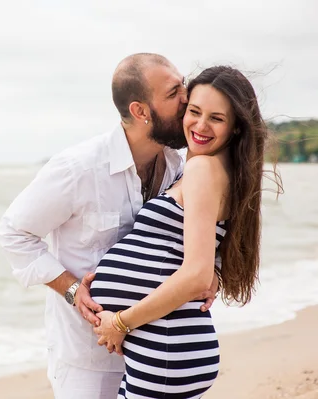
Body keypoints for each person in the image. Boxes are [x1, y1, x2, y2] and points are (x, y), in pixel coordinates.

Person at [0, 53, 220, 399]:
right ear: (140, 111)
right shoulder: (78, 168)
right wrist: (71, 288)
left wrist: (212, 272)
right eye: (174, 92)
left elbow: (198, 232)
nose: (187, 99)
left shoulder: (180, 166)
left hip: (159, 348)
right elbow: (14, 232)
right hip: (89, 357)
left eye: (183, 86)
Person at [90, 65, 274, 398]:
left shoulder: (203, 168)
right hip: (166, 346)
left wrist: (120, 322)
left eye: (216, 118)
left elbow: (195, 275)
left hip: (166, 346)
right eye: (194, 111)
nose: (200, 126)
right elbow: (204, 255)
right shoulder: (215, 170)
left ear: (235, 128)